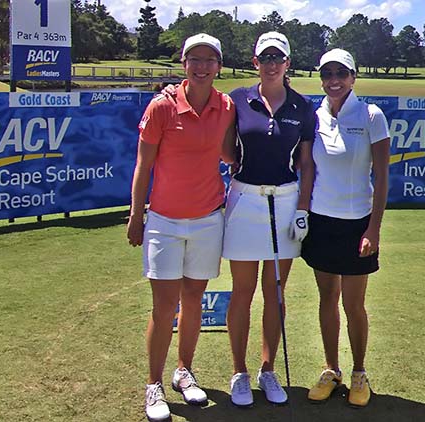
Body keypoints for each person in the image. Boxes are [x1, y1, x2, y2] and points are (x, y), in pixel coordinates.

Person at [127, 33, 236, 421]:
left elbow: (226, 151)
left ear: (219, 66)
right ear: (184, 63)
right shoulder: (162, 106)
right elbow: (144, 166)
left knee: (193, 300)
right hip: (164, 221)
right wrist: (136, 214)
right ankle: (153, 384)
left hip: (208, 219)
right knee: (164, 306)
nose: (203, 66)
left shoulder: (226, 106)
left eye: (210, 60)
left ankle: (183, 372)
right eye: (195, 59)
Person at [223, 31, 316, 407]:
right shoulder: (237, 101)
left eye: (279, 57)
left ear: (288, 63)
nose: (272, 63)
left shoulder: (303, 107)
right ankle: (239, 372)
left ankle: (267, 369)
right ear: (255, 62)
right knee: (242, 292)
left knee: (274, 293)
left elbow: (306, 165)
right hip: (246, 200)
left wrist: (303, 210)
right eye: (265, 57)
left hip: (285, 202)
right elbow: (227, 150)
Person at [301, 49, 390, 408]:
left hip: (357, 225)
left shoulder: (371, 115)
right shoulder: (315, 114)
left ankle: (358, 373)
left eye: (341, 73)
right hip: (322, 222)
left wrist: (374, 229)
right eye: (327, 73)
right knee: (327, 300)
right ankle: (331, 369)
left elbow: (382, 178)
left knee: (354, 306)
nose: (333, 80)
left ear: (353, 77)